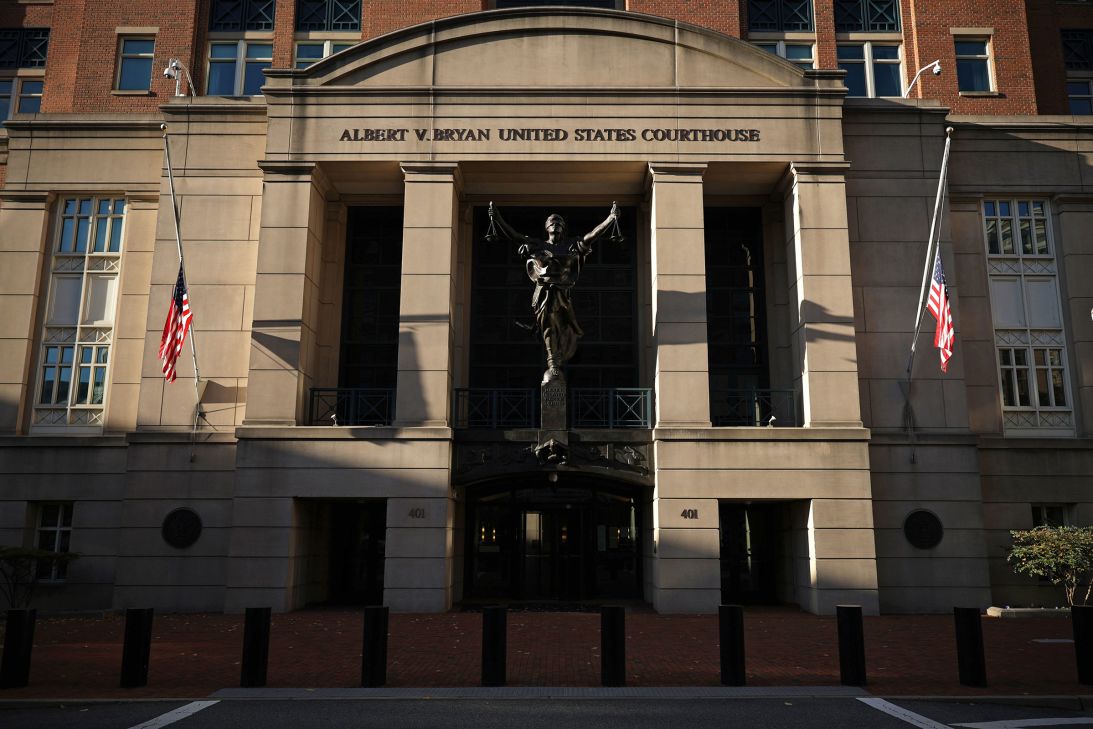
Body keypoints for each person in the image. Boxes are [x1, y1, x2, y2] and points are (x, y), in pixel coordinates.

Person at [487, 202, 621, 384]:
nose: (555, 223)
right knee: (548, 326)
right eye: (552, 221)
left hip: (563, 295)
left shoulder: (571, 245)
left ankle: (557, 359)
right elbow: (515, 236)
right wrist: (497, 218)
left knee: (563, 329)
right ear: (546, 227)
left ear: (563, 228)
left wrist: (610, 219)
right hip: (543, 294)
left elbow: (591, 236)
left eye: (559, 222)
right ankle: (553, 363)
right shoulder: (538, 245)